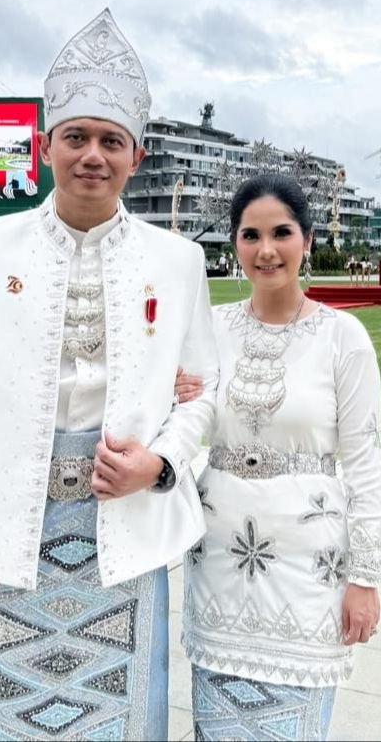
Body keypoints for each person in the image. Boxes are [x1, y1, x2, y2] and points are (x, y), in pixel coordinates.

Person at [0, 8, 218, 742]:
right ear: (46, 144)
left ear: (136, 156)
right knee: (2, 716)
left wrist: (161, 464)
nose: (92, 155)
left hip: (126, 534)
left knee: (120, 715)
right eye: (75, 136)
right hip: (5, 534)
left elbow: (206, 393)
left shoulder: (177, 261)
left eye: (111, 140)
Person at [175, 173, 381, 741]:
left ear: (307, 239)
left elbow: (367, 464)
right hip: (217, 566)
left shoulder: (343, 338)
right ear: (235, 243)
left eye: (281, 233)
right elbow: (180, 421)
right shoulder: (208, 330)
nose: (266, 250)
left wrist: (366, 578)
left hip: (309, 573)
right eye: (250, 235)